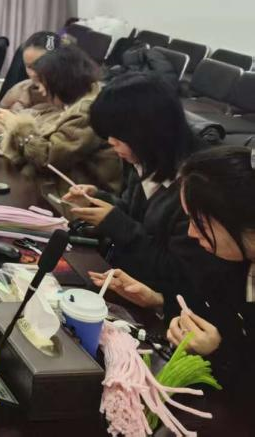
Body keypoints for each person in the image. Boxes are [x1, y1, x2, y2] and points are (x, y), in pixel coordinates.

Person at [61, 73, 232, 316]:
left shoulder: (198, 187)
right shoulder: (144, 159)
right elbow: (136, 215)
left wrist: (116, 224)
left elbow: (177, 273)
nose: (111, 143)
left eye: (118, 136)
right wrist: (100, 200)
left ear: (149, 132)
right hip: (124, 282)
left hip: (162, 307)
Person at [89, 147, 254, 390]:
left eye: (200, 222)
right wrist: (157, 301)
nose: (191, 233)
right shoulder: (229, 261)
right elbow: (214, 313)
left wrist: (218, 351)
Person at [0, 46, 121, 190]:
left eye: (43, 83)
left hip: (77, 193)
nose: (41, 90)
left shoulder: (86, 112)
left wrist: (17, 127)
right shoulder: (85, 97)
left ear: (60, 81)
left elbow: (48, 160)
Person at [0, 31, 65, 132]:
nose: (33, 73)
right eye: (29, 66)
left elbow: (45, 141)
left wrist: (1, 129)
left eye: (38, 65)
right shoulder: (20, 89)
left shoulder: (67, 103)